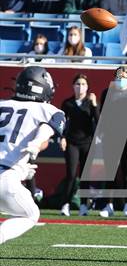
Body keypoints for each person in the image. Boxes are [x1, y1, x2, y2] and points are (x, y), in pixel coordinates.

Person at [0, 66, 65, 245]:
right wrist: (36, 143)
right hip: (5, 177)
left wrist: (20, 170)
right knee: (31, 214)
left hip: (7, 170)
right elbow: (47, 128)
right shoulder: (48, 110)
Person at [99, 67, 127, 218]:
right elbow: (102, 116)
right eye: (118, 76)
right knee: (109, 172)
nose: (121, 79)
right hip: (110, 139)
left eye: (124, 76)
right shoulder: (106, 93)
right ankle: (108, 205)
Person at [59, 74, 99, 216]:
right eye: (77, 84)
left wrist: (94, 105)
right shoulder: (67, 103)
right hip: (72, 143)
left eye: (83, 84)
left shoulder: (90, 102)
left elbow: (98, 120)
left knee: (85, 175)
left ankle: (83, 206)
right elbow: (61, 123)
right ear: (73, 86)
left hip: (87, 143)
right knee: (71, 174)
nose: (80, 87)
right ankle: (65, 205)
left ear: (87, 87)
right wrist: (62, 137)